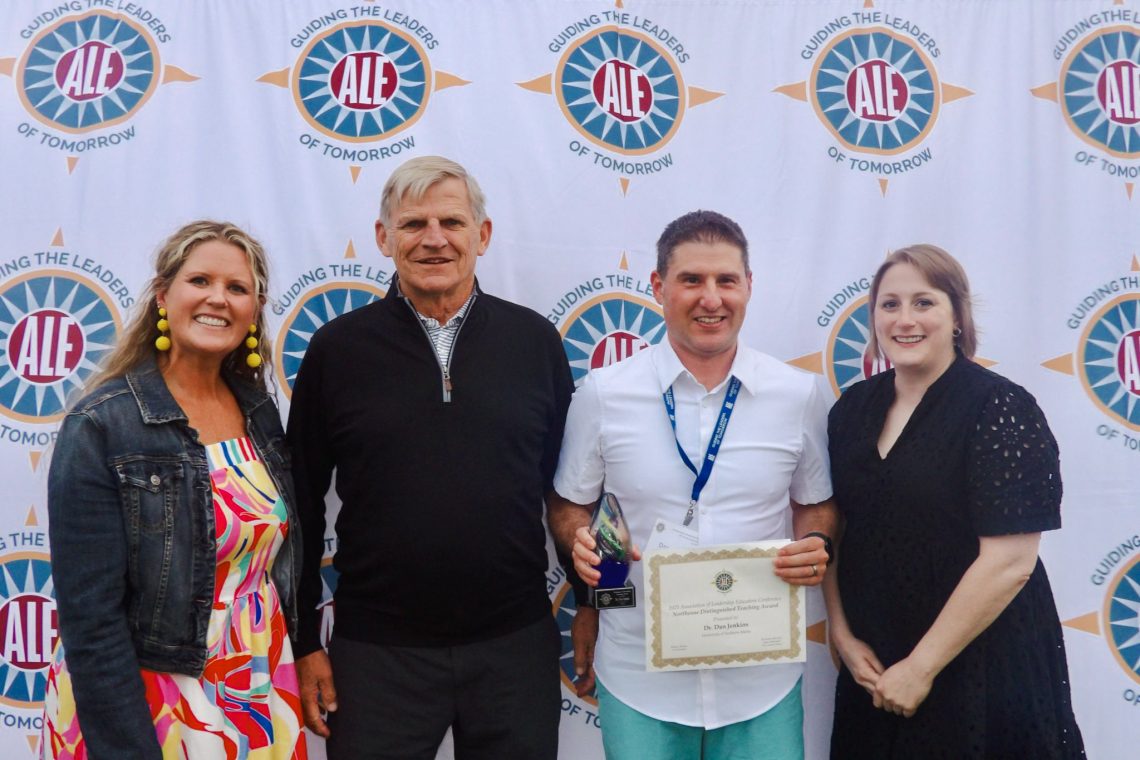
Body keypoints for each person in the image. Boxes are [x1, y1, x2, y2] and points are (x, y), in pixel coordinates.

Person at [286, 155, 573, 759]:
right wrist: (304, 639)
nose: (435, 239)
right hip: (375, 654)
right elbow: (301, 505)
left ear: (482, 235)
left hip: (514, 647)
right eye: (414, 224)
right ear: (384, 238)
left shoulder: (534, 344)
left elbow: (569, 493)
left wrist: (595, 600)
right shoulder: (338, 350)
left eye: (452, 222)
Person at [549, 210, 837, 760]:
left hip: (761, 679)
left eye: (726, 280)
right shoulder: (603, 394)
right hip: (639, 677)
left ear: (749, 287)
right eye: (691, 281)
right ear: (659, 287)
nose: (712, 298)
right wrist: (578, 542)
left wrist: (817, 544)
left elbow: (816, 504)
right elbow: (569, 502)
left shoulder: (798, 394)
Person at [43, 221, 306, 759]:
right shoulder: (102, 424)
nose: (218, 299)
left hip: (254, 679)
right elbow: (91, 616)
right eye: (200, 280)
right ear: (163, 295)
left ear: (254, 309)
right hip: (149, 692)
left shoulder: (258, 411)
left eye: (237, 288)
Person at [823, 244, 1086, 759]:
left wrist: (921, 668)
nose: (905, 319)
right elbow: (835, 526)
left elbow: (1010, 561)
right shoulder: (851, 409)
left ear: (957, 317)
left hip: (983, 662)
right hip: (876, 665)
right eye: (889, 304)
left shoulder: (1000, 406)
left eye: (924, 303)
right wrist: (843, 635)